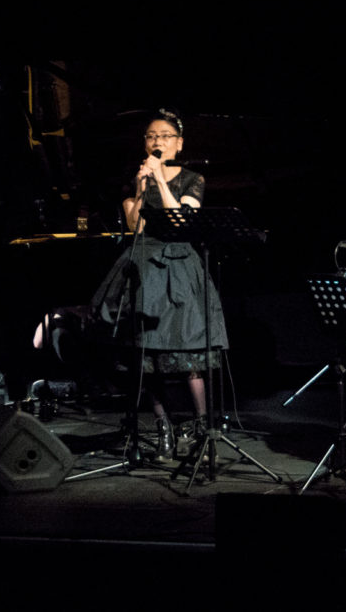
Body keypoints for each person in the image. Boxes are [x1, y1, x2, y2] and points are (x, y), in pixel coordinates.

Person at [89, 108, 229, 460]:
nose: (157, 142)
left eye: (165, 136)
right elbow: (136, 226)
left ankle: (201, 432)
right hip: (143, 268)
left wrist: (160, 182)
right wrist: (140, 188)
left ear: (179, 144)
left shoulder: (192, 178)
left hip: (180, 268)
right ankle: (163, 426)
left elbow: (180, 222)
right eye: (151, 136)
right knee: (145, 354)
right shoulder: (135, 178)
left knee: (189, 353)